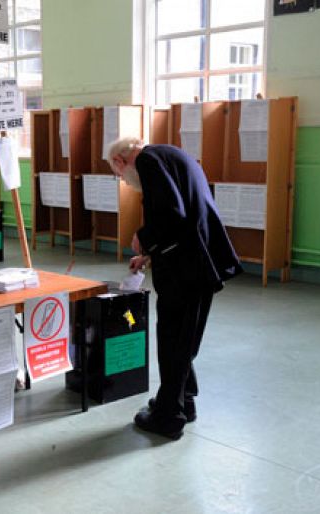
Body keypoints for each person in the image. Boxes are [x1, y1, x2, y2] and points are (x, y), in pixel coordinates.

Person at [107, 138, 243, 440]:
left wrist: (143, 237)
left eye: (120, 177)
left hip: (186, 270)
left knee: (172, 340)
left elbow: (171, 213)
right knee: (184, 338)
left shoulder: (147, 161)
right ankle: (183, 401)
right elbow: (184, 219)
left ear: (120, 161)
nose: (126, 183)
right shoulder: (171, 155)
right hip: (202, 261)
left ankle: (168, 418)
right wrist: (150, 254)